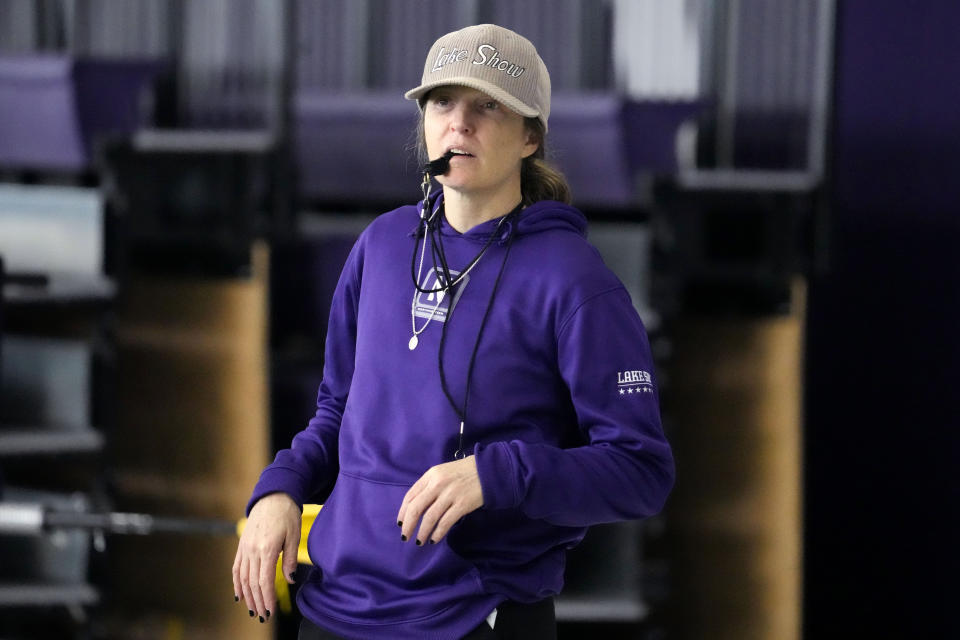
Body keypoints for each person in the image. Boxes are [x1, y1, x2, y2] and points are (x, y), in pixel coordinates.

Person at [233, 24, 674, 640]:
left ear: (530, 137)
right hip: (335, 610)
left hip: (474, 619)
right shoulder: (381, 246)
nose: (459, 123)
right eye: (442, 102)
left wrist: (496, 475)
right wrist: (282, 487)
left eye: (486, 105)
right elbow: (338, 408)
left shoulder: (577, 283)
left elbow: (640, 472)